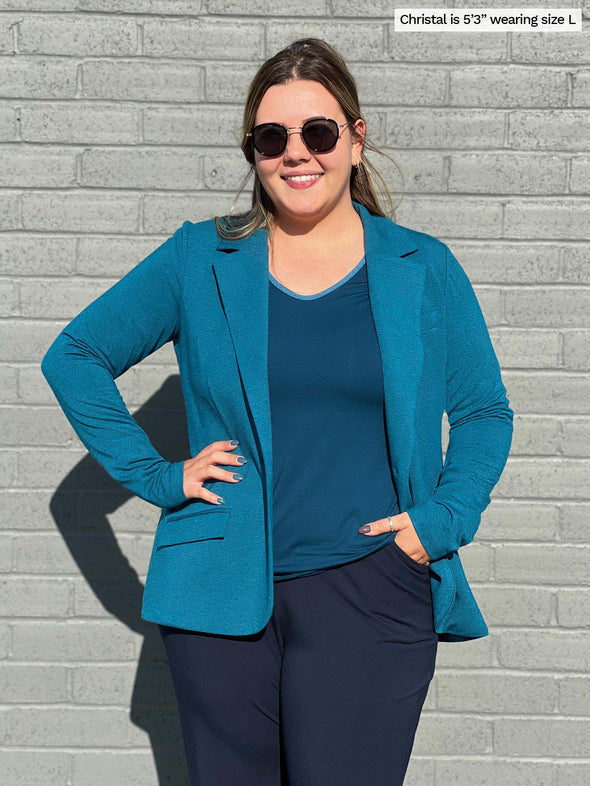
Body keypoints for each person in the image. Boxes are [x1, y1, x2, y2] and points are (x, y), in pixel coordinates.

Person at [41, 37, 514, 786]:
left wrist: (441, 522)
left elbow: (484, 410)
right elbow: (74, 357)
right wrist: (160, 477)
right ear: (255, 152)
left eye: (318, 133)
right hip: (218, 596)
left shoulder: (420, 267)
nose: (297, 154)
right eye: (272, 138)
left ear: (356, 141)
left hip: (374, 586)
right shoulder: (201, 259)